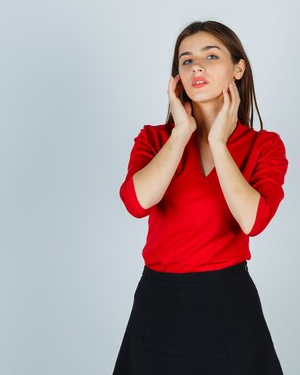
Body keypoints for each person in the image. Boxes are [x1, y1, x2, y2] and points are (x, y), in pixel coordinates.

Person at [112, 20, 288, 375]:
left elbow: (253, 221)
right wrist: (182, 134)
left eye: (211, 55)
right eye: (186, 60)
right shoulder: (154, 139)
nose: (197, 67)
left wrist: (218, 144)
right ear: (177, 76)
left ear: (238, 68)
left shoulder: (264, 146)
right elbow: (136, 203)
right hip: (158, 301)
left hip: (228, 302)